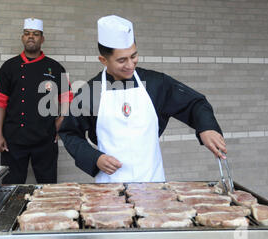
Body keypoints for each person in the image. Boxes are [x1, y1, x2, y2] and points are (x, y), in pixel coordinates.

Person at [58, 15, 226, 183]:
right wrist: (95, 158)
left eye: (134, 56)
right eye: (122, 60)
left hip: (152, 182)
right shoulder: (90, 92)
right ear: (103, 60)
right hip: (110, 188)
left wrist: (206, 127)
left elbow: (195, 103)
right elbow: (69, 132)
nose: (130, 65)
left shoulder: (155, 83)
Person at [0, 18, 72, 184]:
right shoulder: (9, 67)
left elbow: (67, 97)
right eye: (27, 34)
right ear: (22, 38)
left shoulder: (55, 67)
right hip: (13, 139)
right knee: (10, 187)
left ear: (42, 39)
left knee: (48, 187)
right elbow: (0, 101)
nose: (31, 37)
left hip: (45, 138)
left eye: (35, 34)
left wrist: (62, 119)